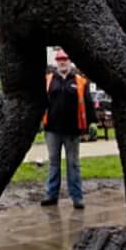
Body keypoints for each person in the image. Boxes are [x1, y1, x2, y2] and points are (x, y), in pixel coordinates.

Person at [41, 49, 96, 209]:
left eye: (65, 59)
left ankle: (77, 198)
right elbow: (42, 102)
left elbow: (88, 102)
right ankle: (51, 195)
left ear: (70, 61)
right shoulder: (48, 80)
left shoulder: (80, 81)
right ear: (56, 62)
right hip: (52, 129)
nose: (62, 62)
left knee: (73, 164)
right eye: (59, 59)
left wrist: (92, 122)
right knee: (53, 163)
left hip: (73, 130)